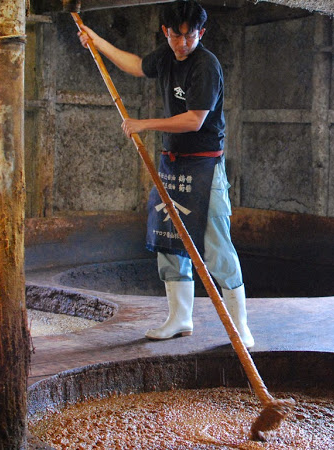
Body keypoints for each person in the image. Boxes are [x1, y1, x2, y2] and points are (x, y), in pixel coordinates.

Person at [78, 0, 254, 347]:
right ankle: (179, 318)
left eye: (190, 37)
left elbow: (195, 119)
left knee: (216, 246)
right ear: (166, 32)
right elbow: (137, 65)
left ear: (201, 33)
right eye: (176, 35)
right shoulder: (166, 54)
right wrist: (96, 41)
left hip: (204, 165)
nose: (182, 43)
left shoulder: (206, 66)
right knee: (169, 243)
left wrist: (145, 124)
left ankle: (240, 327)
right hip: (172, 164)